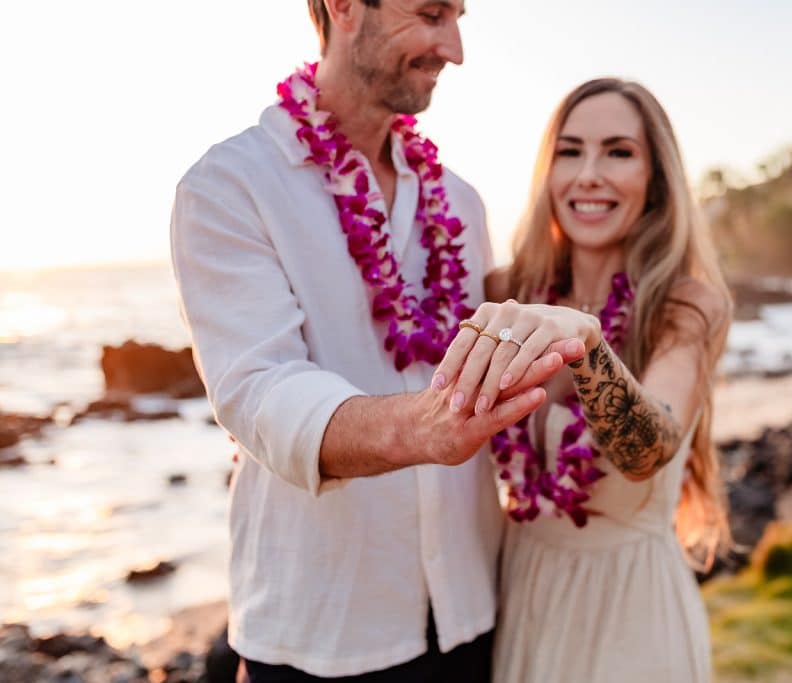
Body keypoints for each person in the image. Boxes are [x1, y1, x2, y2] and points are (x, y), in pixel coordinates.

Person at [169, 1, 582, 681]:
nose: (454, 48)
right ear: (343, 7)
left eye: (457, 18)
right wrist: (419, 427)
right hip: (319, 627)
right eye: (430, 14)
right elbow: (261, 391)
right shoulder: (228, 186)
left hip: (471, 616)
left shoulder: (462, 202)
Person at [433, 78, 733, 682]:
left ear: (656, 178)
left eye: (618, 152)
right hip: (523, 595)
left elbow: (648, 449)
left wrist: (586, 344)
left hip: (631, 614)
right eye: (570, 151)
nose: (589, 173)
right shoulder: (503, 292)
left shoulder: (685, 305)